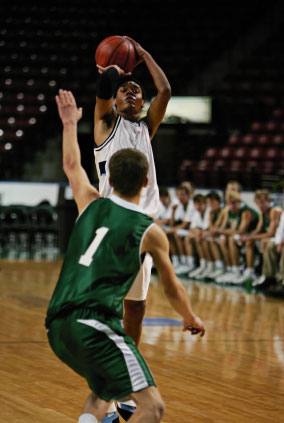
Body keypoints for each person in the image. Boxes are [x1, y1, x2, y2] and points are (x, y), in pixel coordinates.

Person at [46, 90, 205, 423]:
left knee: (104, 389)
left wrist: (69, 124)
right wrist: (190, 316)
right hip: (95, 323)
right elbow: (173, 287)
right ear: (147, 182)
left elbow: (72, 165)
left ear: (109, 178)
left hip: (57, 326)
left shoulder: (89, 200)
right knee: (154, 407)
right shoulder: (147, 231)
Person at [94, 37, 171, 420]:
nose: (130, 92)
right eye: (124, 89)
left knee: (135, 312)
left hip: (140, 232)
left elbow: (166, 90)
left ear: (140, 103)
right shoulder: (105, 124)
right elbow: (103, 91)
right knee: (107, 319)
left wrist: (144, 55)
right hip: (110, 232)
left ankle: (123, 387)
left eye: (135, 90)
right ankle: (103, 398)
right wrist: (113, 72)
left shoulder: (146, 130)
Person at [234, 189, 282, 284]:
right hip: (271, 238)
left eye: (262, 203)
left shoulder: (275, 211)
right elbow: (257, 230)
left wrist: (251, 237)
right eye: (257, 203)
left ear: (268, 200)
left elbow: (271, 233)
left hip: (277, 238)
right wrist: (246, 236)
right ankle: (249, 271)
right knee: (249, 241)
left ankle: (267, 274)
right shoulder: (262, 213)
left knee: (264, 241)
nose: (259, 206)